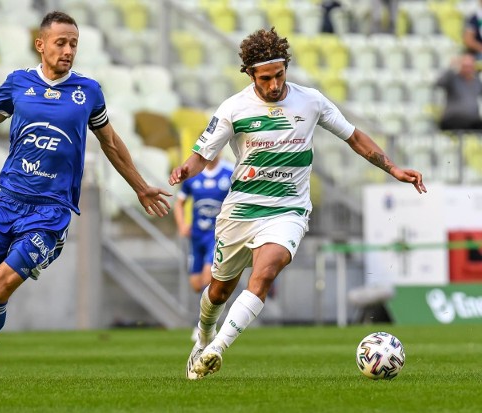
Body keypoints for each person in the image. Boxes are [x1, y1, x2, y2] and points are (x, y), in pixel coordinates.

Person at [0, 11, 171, 383]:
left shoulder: (88, 90)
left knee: (1, 286)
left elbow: (112, 143)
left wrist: (140, 186)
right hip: (7, 202)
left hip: (50, 212)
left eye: (74, 43)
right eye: (61, 42)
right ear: (41, 45)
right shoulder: (19, 83)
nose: (68, 50)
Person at [168, 27, 426, 380]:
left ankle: (217, 349)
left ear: (285, 67)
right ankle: (204, 336)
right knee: (219, 290)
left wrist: (392, 167)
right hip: (241, 210)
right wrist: (187, 168)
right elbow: (202, 154)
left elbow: (354, 136)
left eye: (279, 75)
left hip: (288, 209)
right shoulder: (234, 108)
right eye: (265, 78)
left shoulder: (311, 101)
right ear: (250, 74)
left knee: (265, 272)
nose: (274, 85)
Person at [173, 155, 233, 341]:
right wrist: (182, 224)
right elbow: (179, 203)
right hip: (196, 237)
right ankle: (206, 323)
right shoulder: (193, 175)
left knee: (209, 278)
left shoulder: (229, 173)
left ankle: (204, 326)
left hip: (217, 237)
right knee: (197, 284)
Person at [435, 52, 482, 131]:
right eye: (465, 66)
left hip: (473, 120)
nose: (468, 69)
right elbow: (439, 83)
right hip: (453, 119)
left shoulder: (477, 81)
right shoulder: (452, 78)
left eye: (470, 66)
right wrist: (450, 68)